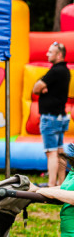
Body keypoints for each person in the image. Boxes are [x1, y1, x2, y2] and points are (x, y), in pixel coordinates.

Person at [33, 42, 71, 187]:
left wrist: (41, 87)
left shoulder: (55, 71)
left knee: (51, 152)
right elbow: (39, 86)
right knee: (60, 151)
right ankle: (61, 184)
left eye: (50, 52)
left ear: (59, 54)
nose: (47, 54)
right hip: (61, 117)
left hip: (50, 117)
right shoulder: (65, 70)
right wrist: (42, 86)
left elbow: (36, 88)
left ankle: (51, 185)